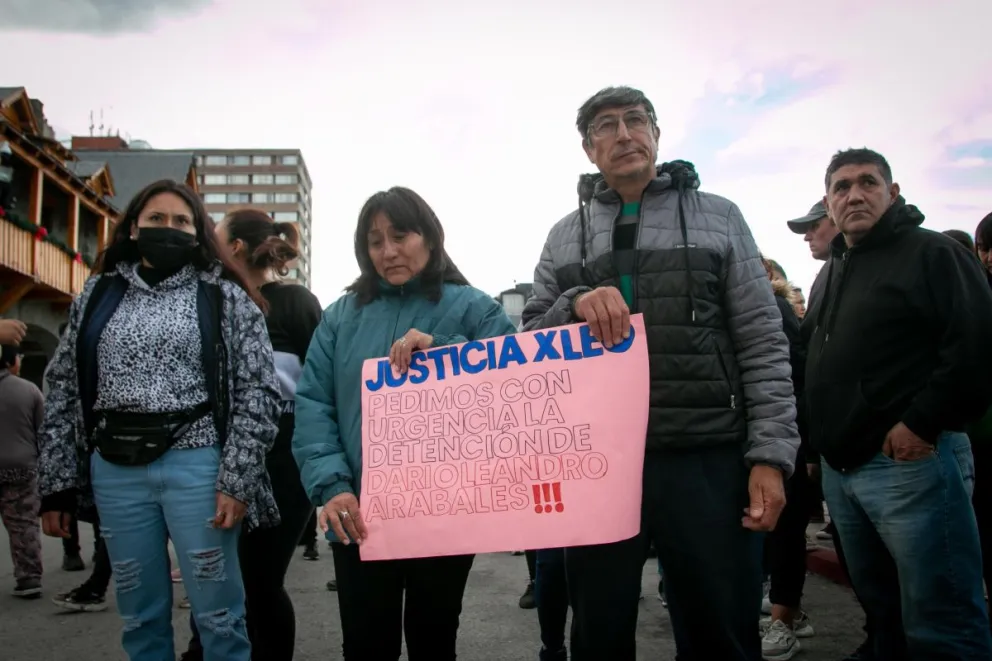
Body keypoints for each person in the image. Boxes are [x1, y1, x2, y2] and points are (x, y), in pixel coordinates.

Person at [521, 86, 799, 661]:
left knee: (719, 630)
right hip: (598, 464)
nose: (623, 134)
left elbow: (763, 341)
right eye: (606, 126)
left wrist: (770, 457)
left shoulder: (719, 217)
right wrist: (573, 301)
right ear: (588, 148)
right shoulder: (562, 235)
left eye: (635, 120)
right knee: (598, 633)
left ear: (656, 133)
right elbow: (529, 342)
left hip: (705, 458)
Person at [36, 179, 281, 661]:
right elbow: (63, 385)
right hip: (116, 472)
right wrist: (56, 486)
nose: (168, 229)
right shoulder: (97, 294)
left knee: (219, 617)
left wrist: (237, 481)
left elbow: (259, 390)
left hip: (200, 470)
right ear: (132, 227)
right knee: (140, 616)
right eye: (156, 220)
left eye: (181, 221)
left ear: (198, 233)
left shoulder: (224, 297)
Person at [292, 186, 517, 661]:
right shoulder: (338, 318)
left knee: (434, 639)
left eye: (401, 235)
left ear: (430, 238)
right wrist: (332, 486)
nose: (389, 250)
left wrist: (445, 351)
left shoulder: (477, 309)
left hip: (447, 512)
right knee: (365, 642)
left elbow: (510, 388)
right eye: (375, 241)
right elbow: (313, 405)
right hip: (357, 514)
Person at [806, 148, 992, 660]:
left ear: (893, 192)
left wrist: (921, 424)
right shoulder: (833, 271)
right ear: (829, 202)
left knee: (942, 618)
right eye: (841, 187)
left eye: (868, 182)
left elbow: (976, 345)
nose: (855, 194)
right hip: (842, 473)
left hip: (910, 464)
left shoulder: (932, 253)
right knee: (881, 612)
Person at [180, 208, 322, 661]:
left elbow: (324, 385)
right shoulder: (210, 301)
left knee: (260, 581)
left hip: (284, 461)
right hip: (218, 458)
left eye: (215, 238)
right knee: (213, 575)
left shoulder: (296, 302)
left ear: (235, 248)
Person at [758, 259, 815, 660]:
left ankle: (785, 619)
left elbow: (792, 379)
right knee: (774, 533)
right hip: (771, 436)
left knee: (786, 530)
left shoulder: (772, 310)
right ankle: (784, 610)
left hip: (785, 436)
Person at [0, 344, 45, 599]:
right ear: (9, 362)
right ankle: (28, 577)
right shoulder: (27, 389)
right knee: (23, 523)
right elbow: (43, 430)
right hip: (20, 467)